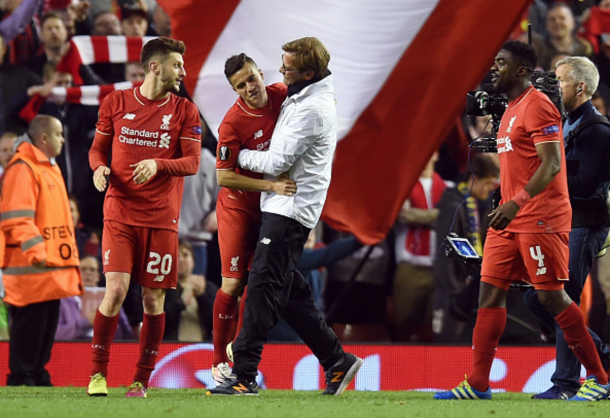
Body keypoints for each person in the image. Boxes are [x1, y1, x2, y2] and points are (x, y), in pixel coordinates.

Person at [434, 40, 610, 402]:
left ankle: (600, 378)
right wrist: (504, 197)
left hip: (541, 218)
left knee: (552, 298)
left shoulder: (539, 106)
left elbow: (552, 164)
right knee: (489, 292)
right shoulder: (511, 108)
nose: (493, 68)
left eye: (501, 62)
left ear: (521, 70)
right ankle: (479, 385)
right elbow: (522, 164)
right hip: (511, 220)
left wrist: (517, 202)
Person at [207, 37, 362, 396]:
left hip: (289, 209)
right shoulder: (301, 94)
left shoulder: (312, 108)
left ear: (307, 73)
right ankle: (337, 361)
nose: (281, 72)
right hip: (280, 208)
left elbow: (277, 164)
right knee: (288, 291)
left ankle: (244, 373)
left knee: (261, 288)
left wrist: (242, 156)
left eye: (288, 67)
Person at [86, 37, 202, 398]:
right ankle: (97, 375)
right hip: (120, 212)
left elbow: (193, 163)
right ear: (155, 67)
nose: (183, 71)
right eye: (177, 65)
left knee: (153, 301)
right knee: (116, 290)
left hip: (161, 218)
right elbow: (97, 149)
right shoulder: (116, 102)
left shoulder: (185, 111)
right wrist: (98, 169)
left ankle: (141, 380)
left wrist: (158, 163)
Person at [523, 56, 610, 399]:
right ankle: (600, 354)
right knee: (536, 298)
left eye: (559, 80)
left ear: (581, 86)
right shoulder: (564, 122)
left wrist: (545, 175)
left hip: (585, 226)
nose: (554, 87)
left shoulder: (598, 130)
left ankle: (565, 384)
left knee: (561, 300)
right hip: (561, 225)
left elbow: (587, 183)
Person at [210, 52, 296, 384]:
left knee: (260, 279)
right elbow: (223, 177)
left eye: (251, 79)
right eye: (240, 85)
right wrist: (271, 184)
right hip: (237, 206)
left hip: (269, 205)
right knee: (232, 283)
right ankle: (218, 359)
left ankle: (237, 347)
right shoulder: (232, 123)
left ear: (261, 73)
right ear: (235, 90)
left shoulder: (281, 95)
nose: (249, 88)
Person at [0, 114, 83, 386]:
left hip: (51, 266)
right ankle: (23, 376)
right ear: (44, 138)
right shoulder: (22, 168)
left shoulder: (49, 167)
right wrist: (37, 251)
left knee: (45, 327)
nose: (62, 140)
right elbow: (17, 216)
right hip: (32, 265)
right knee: (29, 327)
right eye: (59, 135)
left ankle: (36, 374)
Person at [432, 154, 499, 344]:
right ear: (474, 179)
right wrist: (455, 293)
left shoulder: (468, 204)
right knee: (447, 345)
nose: (489, 189)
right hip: (450, 295)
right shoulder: (453, 206)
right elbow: (445, 254)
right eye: (487, 183)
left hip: (460, 290)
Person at [392, 151, 448, 342]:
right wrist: (438, 216)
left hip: (438, 268)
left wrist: (421, 216)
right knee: (403, 325)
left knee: (433, 328)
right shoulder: (403, 186)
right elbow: (403, 215)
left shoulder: (448, 188)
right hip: (410, 266)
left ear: (436, 156)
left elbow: (452, 218)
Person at [55, 256, 134, 341]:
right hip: (73, 351)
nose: (88, 273)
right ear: (75, 274)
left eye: (92, 270)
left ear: (98, 276)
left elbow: (127, 334)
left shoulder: (110, 299)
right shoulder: (63, 301)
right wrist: (86, 321)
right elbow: (56, 334)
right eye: (83, 269)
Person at [163, 241, 218, 341]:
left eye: (185, 255)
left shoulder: (208, 287)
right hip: (171, 350)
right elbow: (161, 320)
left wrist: (202, 296)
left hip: (201, 348)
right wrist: (182, 304)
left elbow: (216, 321)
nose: (181, 259)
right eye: (177, 255)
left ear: (193, 261)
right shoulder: (164, 289)